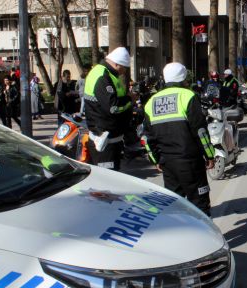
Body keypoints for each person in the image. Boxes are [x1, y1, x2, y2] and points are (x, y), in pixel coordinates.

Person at [143, 62, 215, 216]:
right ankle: (203, 239)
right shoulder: (188, 96)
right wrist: (209, 154)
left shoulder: (152, 101)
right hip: (190, 161)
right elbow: (200, 132)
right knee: (200, 205)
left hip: (167, 163)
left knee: (174, 206)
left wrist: (156, 160)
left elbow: (148, 137)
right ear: (183, 79)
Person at [84, 47, 135, 171]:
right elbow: (113, 107)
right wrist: (130, 100)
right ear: (117, 64)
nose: (124, 71)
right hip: (104, 140)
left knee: (111, 178)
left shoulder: (107, 73)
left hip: (110, 138)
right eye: (124, 68)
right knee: (106, 181)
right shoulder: (102, 75)